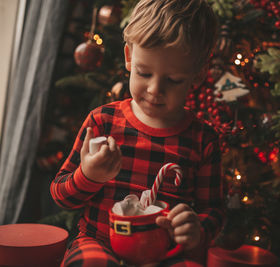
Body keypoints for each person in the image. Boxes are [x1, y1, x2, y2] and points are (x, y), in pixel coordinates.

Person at [50, 0, 224, 266]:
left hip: (164, 253)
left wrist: (197, 227)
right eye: (144, 73)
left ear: (198, 74)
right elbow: (61, 195)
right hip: (99, 242)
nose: (155, 89)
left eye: (174, 80)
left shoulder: (203, 140)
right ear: (129, 57)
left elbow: (213, 209)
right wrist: (88, 176)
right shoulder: (102, 122)